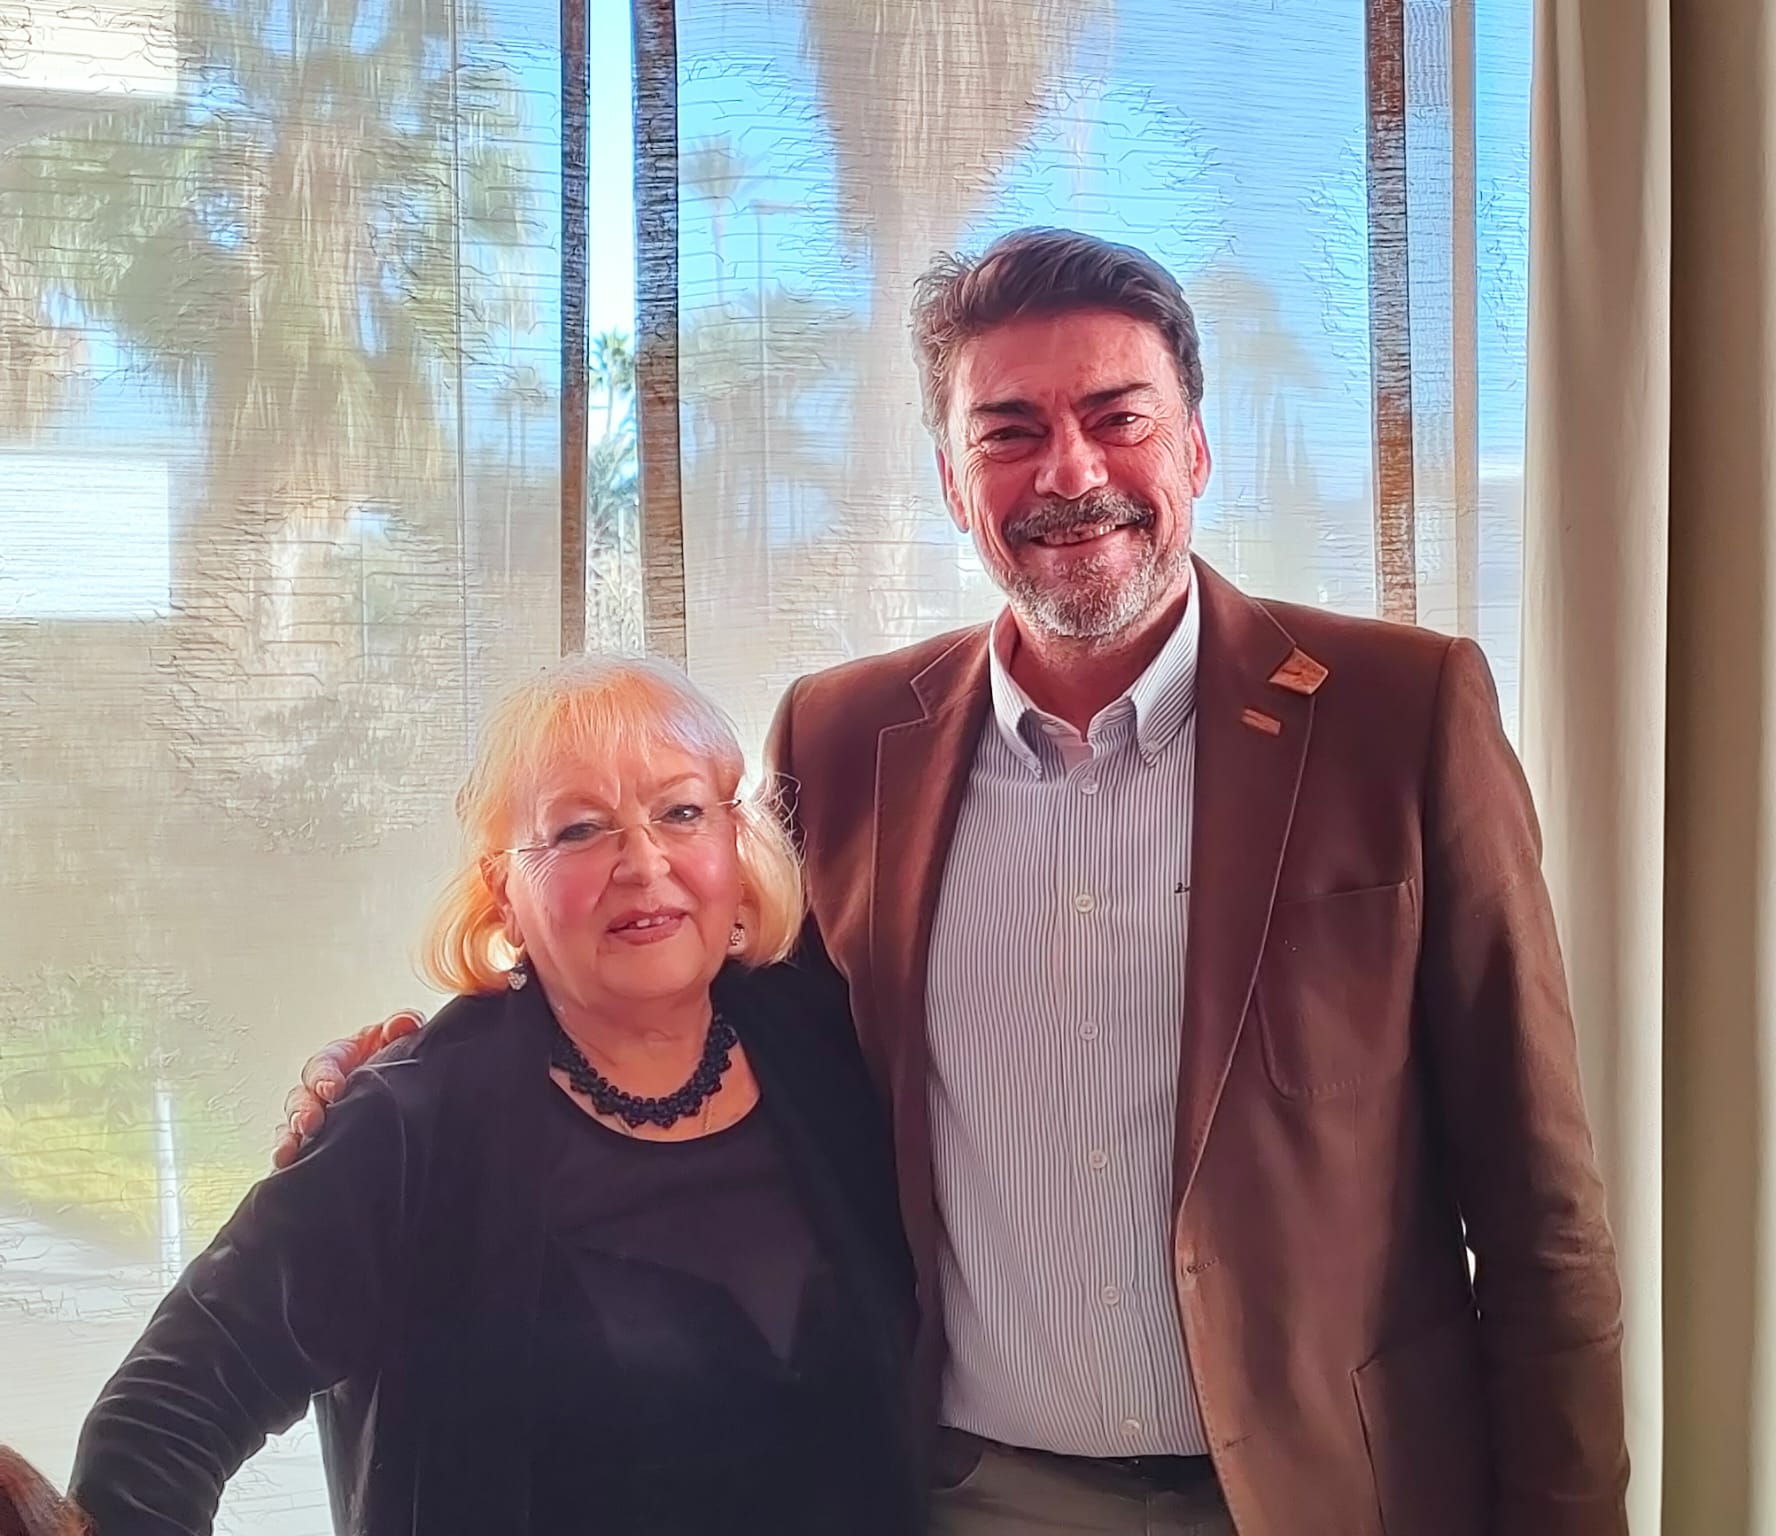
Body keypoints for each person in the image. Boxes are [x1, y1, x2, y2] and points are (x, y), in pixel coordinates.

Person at [283, 228, 1628, 1535]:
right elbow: (708, 1031)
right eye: (1009, 431)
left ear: (1195, 447)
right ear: (950, 479)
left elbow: (1539, 1209)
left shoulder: (1399, 711)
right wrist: (429, 1085)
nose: (1069, 470)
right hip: (971, 1495)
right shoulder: (842, 737)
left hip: (1337, 1492)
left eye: (1117, 417)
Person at [45, 655, 918, 1535]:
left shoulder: (828, 1046)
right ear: (503, 891)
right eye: (580, 830)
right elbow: (162, 1419)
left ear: (736, 842)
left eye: (682, 811)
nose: (643, 861)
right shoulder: (409, 1124)